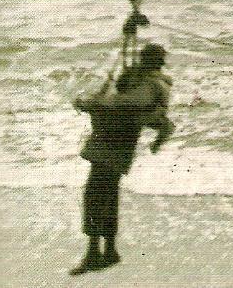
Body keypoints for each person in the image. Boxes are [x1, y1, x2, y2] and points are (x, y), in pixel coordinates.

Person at [69, 43, 174, 275]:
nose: (139, 63)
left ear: (148, 61)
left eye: (142, 59)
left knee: (95, 195)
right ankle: (107, 252)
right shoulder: (152, 83)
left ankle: (95, 254)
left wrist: (91, 103)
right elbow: (159, 121)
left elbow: (125, 103)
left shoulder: (149, 85)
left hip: (113, 145)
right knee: (106, 195)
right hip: (114, 145)